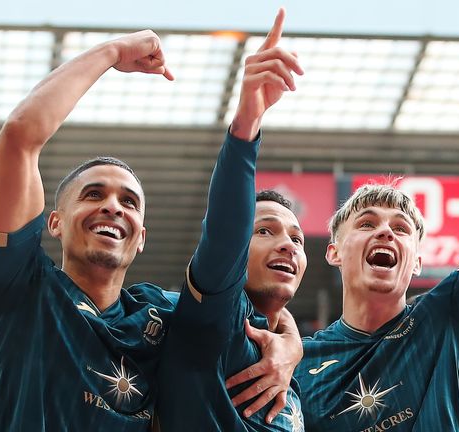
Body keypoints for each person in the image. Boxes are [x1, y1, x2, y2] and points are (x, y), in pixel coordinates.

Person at [0, 28, 299, 431]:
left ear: (141, 236)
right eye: (93, 194)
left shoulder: (156, 317)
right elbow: (19, 137)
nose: (113, 206)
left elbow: (228, 289)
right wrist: (111, 51)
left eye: (129, 202)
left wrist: (290, 343)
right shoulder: (18, 288)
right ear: (53, 222)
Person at [294, 24, 459, 431]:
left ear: (417, 261)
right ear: (334, 251)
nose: (386, 232)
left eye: (401, 228)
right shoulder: (297, 361)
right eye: (367, 223)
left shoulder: (452, 313)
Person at [156, 10, 308, 431]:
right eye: (264, 231)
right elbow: (224, 235)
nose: (288, 245)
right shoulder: (215, 319)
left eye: (297, 238)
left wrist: (292, 345)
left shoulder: (293, 372)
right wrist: (246, 126)